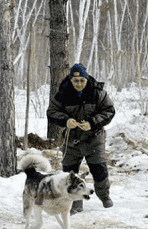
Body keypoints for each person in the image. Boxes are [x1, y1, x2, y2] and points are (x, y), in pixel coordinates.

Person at [47, 63, 116, 214]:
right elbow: (52, 112)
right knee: (70, 172)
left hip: (94, 139)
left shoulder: (97, 92)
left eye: (82, 81)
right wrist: (65, 120)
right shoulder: (63, 93)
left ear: (87, 79)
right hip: (72, 140)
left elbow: (109, 111)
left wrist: (92, 123)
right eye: (75, 81)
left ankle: (104, 197)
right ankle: (75, 204)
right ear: (71, 81)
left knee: (99, 170)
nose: (79, 84)